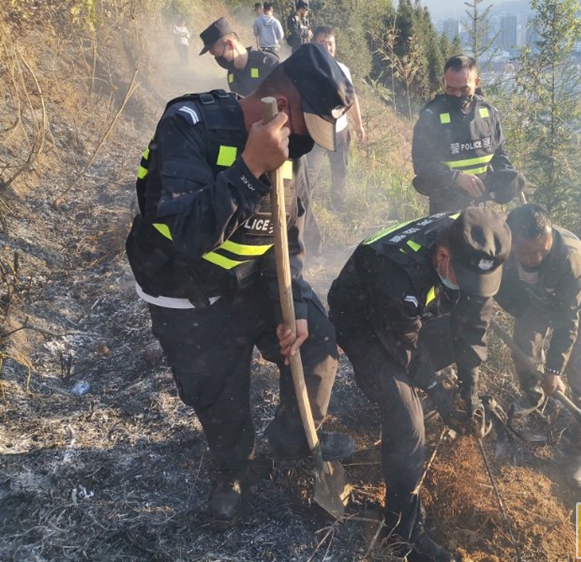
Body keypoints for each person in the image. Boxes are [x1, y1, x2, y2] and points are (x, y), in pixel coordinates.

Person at [126, 44, 357, 521]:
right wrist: (250, 168)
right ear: (281, 108)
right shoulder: (190, 126)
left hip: (256, 283)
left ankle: (293, 440)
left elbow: (289, 236)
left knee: (319, 341)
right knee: (219, 393)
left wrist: (291, 304)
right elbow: (186, 234)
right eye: (304, 131)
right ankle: (235, 465)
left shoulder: (291, 149)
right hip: (190, 294)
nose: (304, 145)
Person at [328, 207, 511, 561]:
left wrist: (468, 385)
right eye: (467, 277)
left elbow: (476, 317)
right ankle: (403, 531)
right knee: (406, 415)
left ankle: (414, 411)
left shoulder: (472, 240)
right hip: (364, 323)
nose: (475, 288)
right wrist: (439, 396)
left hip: (409, 316)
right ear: (443, 256)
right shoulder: (395, 271)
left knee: (455, 344)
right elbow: (405, 349)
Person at [493, 204, 581, 488]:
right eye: (527, 253)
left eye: (541, 251)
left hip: (579, 305)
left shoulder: (570, 256)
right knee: (523, 347)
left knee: (579, 370)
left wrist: (555, 369)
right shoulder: (502, 246)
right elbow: (498, 285)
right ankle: (534, 398)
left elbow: (569, 320)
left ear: (550, 237)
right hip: (538, 300)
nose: (534, 258)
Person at [412, 55, 525, 214]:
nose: (458, 95)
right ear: (444, 81)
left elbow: (499, 152)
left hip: (480, 207)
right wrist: (456, 177)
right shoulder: (431, 116)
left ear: (476, 82)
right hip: (445, 207)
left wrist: (507, 178)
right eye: (451, 89)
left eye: (464, 89)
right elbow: (423, 165)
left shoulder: (487, 113)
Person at [302, 25, 366, 253]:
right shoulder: (307, 69)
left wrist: (359, 125)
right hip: (316, 131)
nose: (327, 47)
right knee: (309, 175)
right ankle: (305, 217)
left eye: (330, 43)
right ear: (313, 45)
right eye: (322, 43)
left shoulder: (343, 69)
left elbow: (352, 99)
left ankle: (337, 204)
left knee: (341, 169)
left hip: (340, 131)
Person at [199, 17, 280, 98]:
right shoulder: (231, 75)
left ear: (230, 44)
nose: (218, 59)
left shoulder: (267, 63)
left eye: (218, 54)